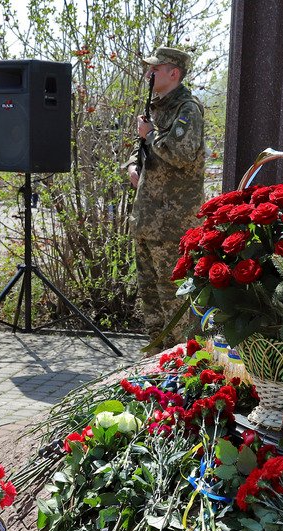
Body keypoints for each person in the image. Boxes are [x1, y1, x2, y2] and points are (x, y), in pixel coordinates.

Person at [125, 46, 205, 338]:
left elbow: (182, 153)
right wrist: (133, 165)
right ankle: (156, 363)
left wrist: (150, 134)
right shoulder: (156, 107)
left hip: (173, 224)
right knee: (150, 300)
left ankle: (182, 363)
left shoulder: (188, 109)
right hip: (148, 221)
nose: (149, 73)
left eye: (156, 69)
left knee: (174, 299)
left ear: (174, 73)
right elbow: (142, 148)